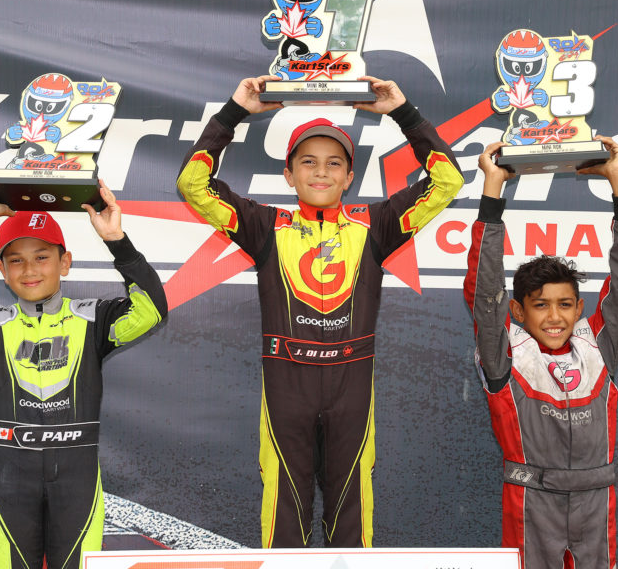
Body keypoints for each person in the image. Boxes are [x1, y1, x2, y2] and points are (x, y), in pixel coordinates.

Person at [177, 75, 463, 547]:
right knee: (284, 513)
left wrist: (402, 111)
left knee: (351, 512)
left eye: (334, 163)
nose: (321, 172)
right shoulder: (264, 225)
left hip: (352, 385)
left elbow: (448, 180)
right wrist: (233, 112)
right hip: (286, 384)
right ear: (288, 175)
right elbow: (192, 184)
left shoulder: (376, 225)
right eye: (307, 162)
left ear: (350, 177)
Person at [0, 182, 167, 569]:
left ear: (64, 262)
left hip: (77, 488)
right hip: (9, 488)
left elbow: (152, 308)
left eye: (42, 256)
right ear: (2, 270)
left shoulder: (95, 320)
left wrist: (116, 240)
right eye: (16, 260)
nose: (30, 269)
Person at [463, 139, 618, 569]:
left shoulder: (598, 346)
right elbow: (483, 289)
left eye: (565, 305)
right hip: (532, 503)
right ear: (517, 311)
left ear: (579, 309)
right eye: (540, 305)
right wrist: (492, 190)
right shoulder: (504, 353)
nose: (554, 317)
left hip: (596, 503)